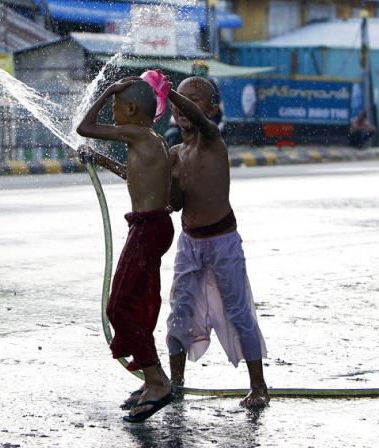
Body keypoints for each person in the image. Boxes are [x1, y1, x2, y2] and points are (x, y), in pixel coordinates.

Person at [164, 77, 269, 409]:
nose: (186, 105)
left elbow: (194, 116)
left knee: (239, 311)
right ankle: (175, 384)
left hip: (223, 241)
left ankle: (259, 387)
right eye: (180, 99)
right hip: (189, 243)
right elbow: (174, 203)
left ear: (210, 110)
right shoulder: (176, 153)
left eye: (194, 100)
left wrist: (170, 94)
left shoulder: (212, 139)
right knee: (179, 311)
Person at [76, 77, 175, 423]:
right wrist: (98, 159)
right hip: (152, 225)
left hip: (148, 228)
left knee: (118, 308)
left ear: (131, 109)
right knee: (133, 304)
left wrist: (105, 92)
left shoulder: (138, 133)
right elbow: (132, 175)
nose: (113, 112)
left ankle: (157, 382)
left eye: (118, 105)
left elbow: (84, 127)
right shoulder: (151, 139)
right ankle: (154, 380)